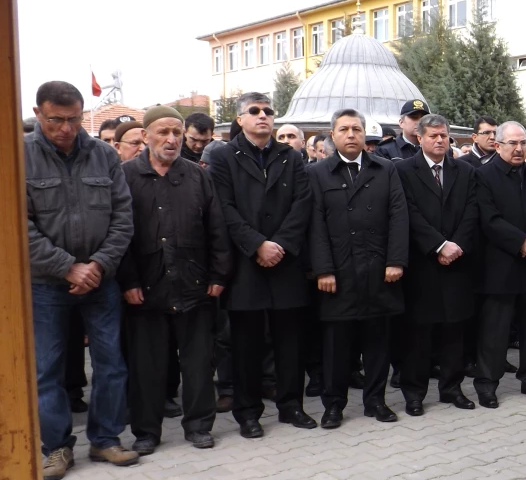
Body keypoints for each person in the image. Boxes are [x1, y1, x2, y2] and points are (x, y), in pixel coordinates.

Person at [28, 81, 138, 480]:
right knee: (47, 369)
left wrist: (98, 265)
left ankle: (105, 439)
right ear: (39, 113)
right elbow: (18, 226)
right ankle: (56, 448)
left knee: (110, 362)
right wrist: (66, 266)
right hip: (44, 283)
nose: (67, 128)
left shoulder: (104, 155)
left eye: (74, 119)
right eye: (57, 119)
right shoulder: (19, 157)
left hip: (100, 280)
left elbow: (123, 216)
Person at [118, 106, 232, 453]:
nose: (171, 139)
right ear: (146, 136)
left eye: (177, 133)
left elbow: (217, 229)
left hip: (193, 284)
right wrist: (128, 281)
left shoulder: (198, 176)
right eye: (163, 132)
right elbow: (118, 235)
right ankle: (147, 432)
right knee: (147, 366)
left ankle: (198, 425)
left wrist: (218, 274)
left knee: (198, 362)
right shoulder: (125, 176)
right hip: (146, 288)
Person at [208, 91, 316, 437]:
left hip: (286, 264)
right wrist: (257, 244)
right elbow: (224, 208)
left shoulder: (290, 156)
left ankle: (291, 406)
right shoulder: (224, 157)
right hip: (246, 266)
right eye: (254, 111)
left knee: (291, 343)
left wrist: (280, 244)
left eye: (268, 111)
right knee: (246, 346)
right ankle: (248, 412)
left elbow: (303, 203)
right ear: (240, 119)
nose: (263, 116)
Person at [308, 109, 408, 428]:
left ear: (365, 134)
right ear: (333, 135)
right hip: (338, 272)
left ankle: (375, 401)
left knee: (378, 342)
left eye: (356, 129)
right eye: (344, 129)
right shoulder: (318, 173)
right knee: (337, 345)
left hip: (379, 269)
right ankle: (334, 404)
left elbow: (398, 216)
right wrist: (323, 269)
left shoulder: (386, 169)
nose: (351, 134)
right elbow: (315, 225)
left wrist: (395, 261)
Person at [394, 113, 478, 416]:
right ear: (420, 138)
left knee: (455, 333)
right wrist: (438, 245)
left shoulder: (465, 171)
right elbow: (409, 214)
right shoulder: (402, 171)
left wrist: (457, 245)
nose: (440, 140)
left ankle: (451, 388)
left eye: (444, 135)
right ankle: (414, 394)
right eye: (433, 136)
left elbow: (472, 212)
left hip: (457, 263)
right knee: (418, 335)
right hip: (423, 265)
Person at [473, 121, 526, 408]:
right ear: (497, 146)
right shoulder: (483, 176)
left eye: (523, 143)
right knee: (495, 331)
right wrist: (521, 241)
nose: (520, 149)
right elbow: (489, 219)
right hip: (500, 265)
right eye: (512, 143)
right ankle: (487, 383)